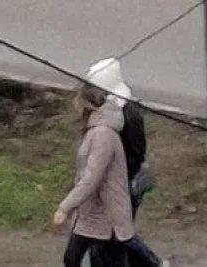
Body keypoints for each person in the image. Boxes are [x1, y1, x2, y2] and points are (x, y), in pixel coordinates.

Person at [87, 58, 164, 267]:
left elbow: (133, 155)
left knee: (111, 238)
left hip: (125, 184)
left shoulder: (127, 116)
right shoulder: (112, 112)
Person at [53, 82, 134, 267]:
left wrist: (65, 207)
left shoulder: (102, 135)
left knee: (90, 260)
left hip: (104, 212)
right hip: (92, 212)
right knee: (74, 258)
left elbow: (91, 178)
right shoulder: (96, 131)